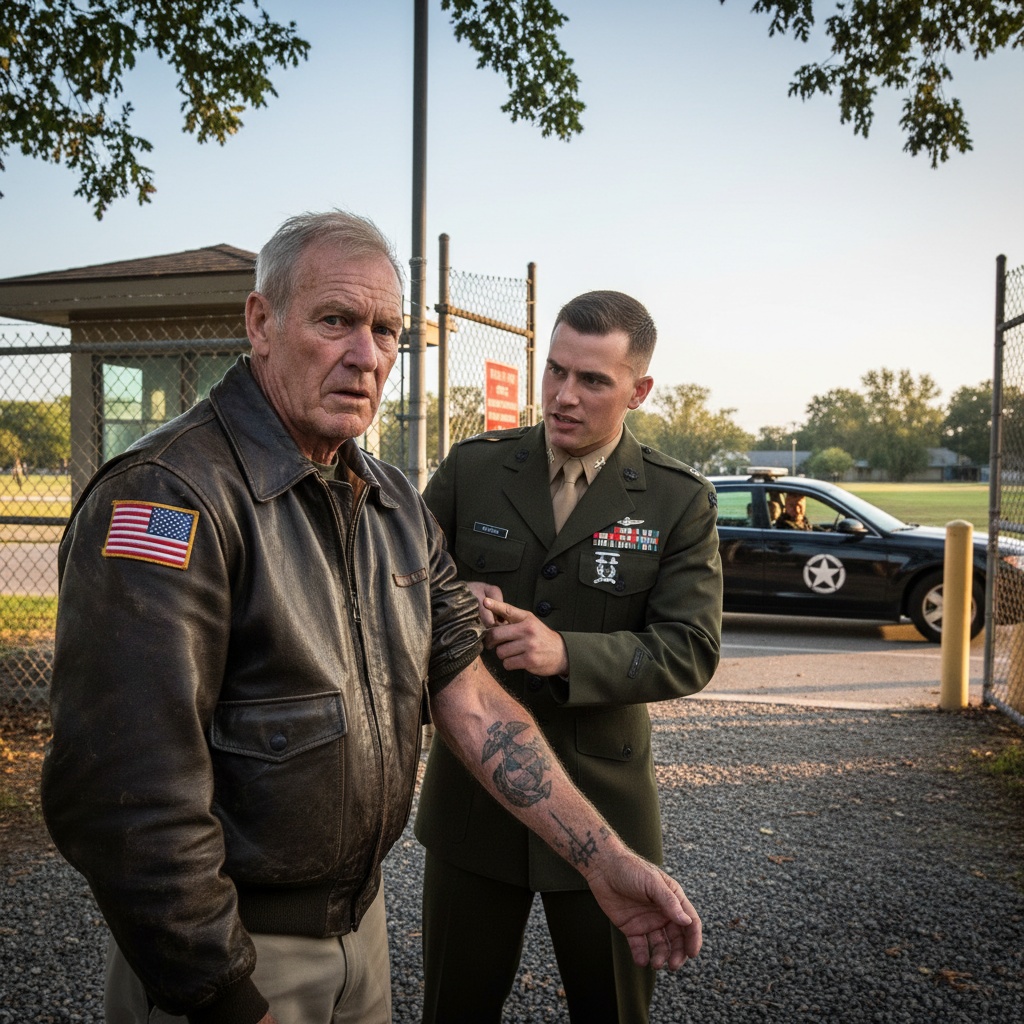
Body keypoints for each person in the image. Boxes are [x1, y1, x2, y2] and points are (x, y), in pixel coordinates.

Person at [41, 216, 702, 1024]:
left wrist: (603, 860)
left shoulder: (389, 501)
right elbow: (127, 792)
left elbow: (472, 697)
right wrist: (220, 993)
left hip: (361, 934)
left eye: (386, 330)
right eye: (334, 321)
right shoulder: (169, 496)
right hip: (236, 956)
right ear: (260, 322)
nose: (366, 355)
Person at [415, 290, 723, 1023]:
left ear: (639, 390)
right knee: (453, 1007)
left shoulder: (678, 501)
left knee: (612, 1009)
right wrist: (453, 597)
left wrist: (567, 654)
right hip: (476, 800)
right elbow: (396, 581)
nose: (563, 395)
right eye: (555, 371)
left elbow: (691, 649)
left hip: (603, 806)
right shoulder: (475, 469)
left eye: (593, 380)